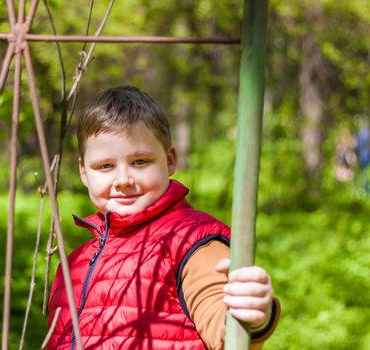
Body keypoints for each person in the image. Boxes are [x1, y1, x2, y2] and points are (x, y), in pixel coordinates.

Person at [47, 86, 280, 350]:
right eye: (105, 166)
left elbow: (222, 325)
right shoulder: (75, 262)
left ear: (169, 160)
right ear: (84, 172)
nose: (123, 180)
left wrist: (250, 317)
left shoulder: (194, 243)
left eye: (140, 162)